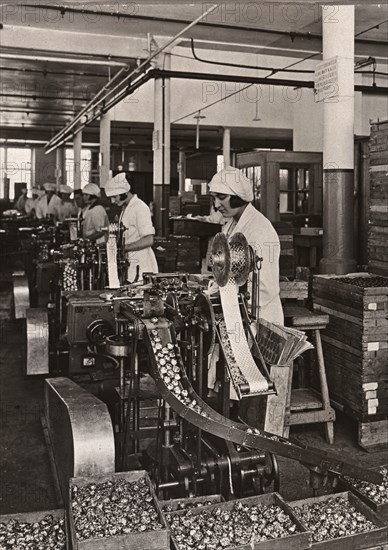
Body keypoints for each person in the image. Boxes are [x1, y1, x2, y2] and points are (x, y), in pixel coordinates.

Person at [209, 165, 283, 325]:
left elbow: (263, 290)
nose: (216, 205)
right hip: (237, 314)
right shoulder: (231, 224)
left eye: (222, 197)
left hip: (258, 319)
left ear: (238, 196)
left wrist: (225, 298)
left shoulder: (261, 230)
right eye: (214, 198)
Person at [104, 172, 158, 282]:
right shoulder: (126, 208)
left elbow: (149, 240)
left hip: (141, 266)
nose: (113, 201)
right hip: (131, 263)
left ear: (125, 193)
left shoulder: (140, 208)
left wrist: (123, 248)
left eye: (114, 197)